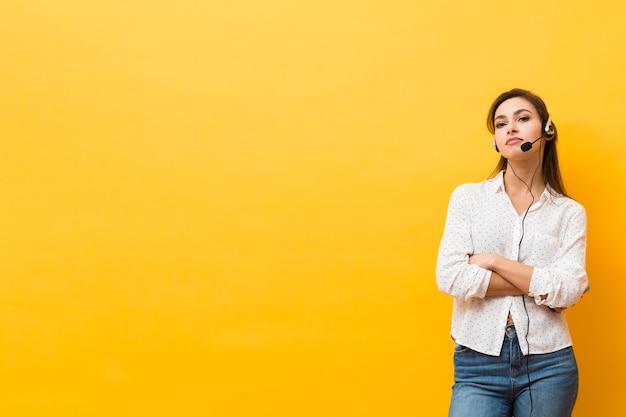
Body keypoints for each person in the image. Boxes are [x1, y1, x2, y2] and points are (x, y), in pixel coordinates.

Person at [435, 88, 589, 417]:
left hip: (550, 365)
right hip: (477, 363)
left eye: (522, 119)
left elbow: (571, 288)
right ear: (495, 140)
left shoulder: (569, 213)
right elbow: (451, 277)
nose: (511, 128)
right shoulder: (468, 198)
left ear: (546, 130)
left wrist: (492, 262)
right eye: (501, 123)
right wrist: (542, 284)